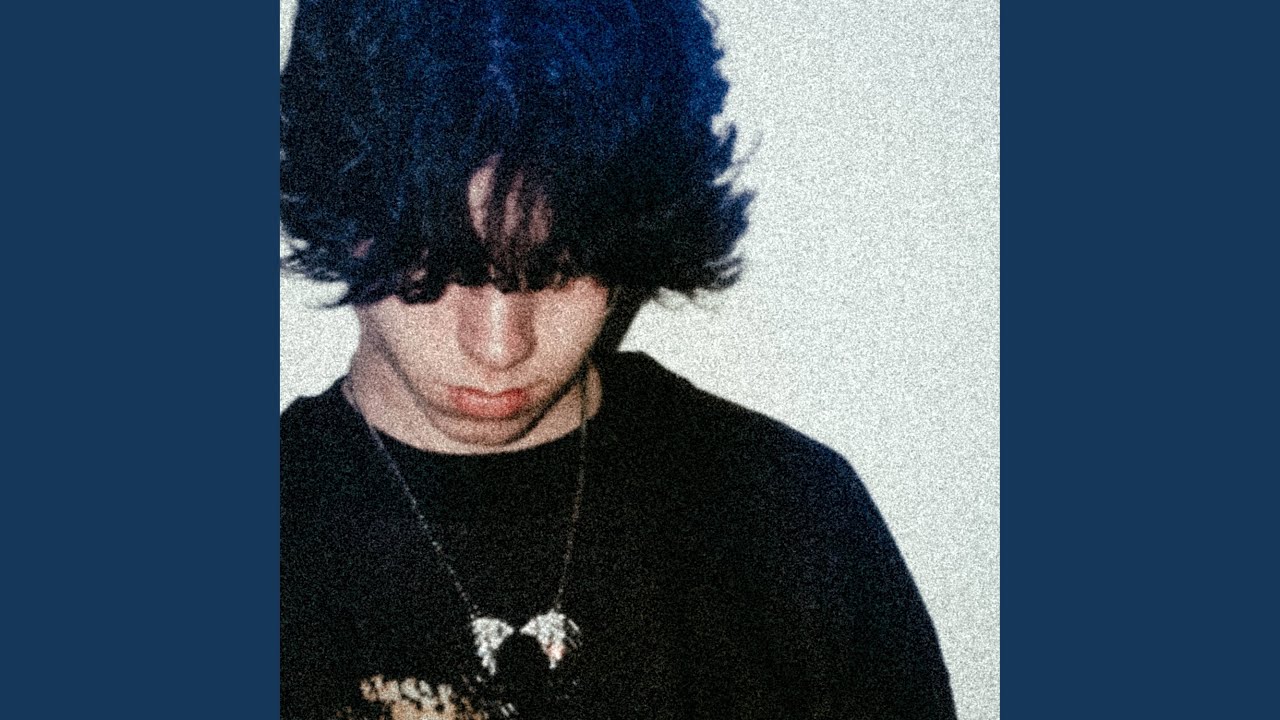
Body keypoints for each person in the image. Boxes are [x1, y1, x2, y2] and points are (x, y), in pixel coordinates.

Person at [279, 1, 956, 717]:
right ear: (343, 220)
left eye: (559, 269)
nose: (500, 347)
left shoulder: (791, 519)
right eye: (437, 267)